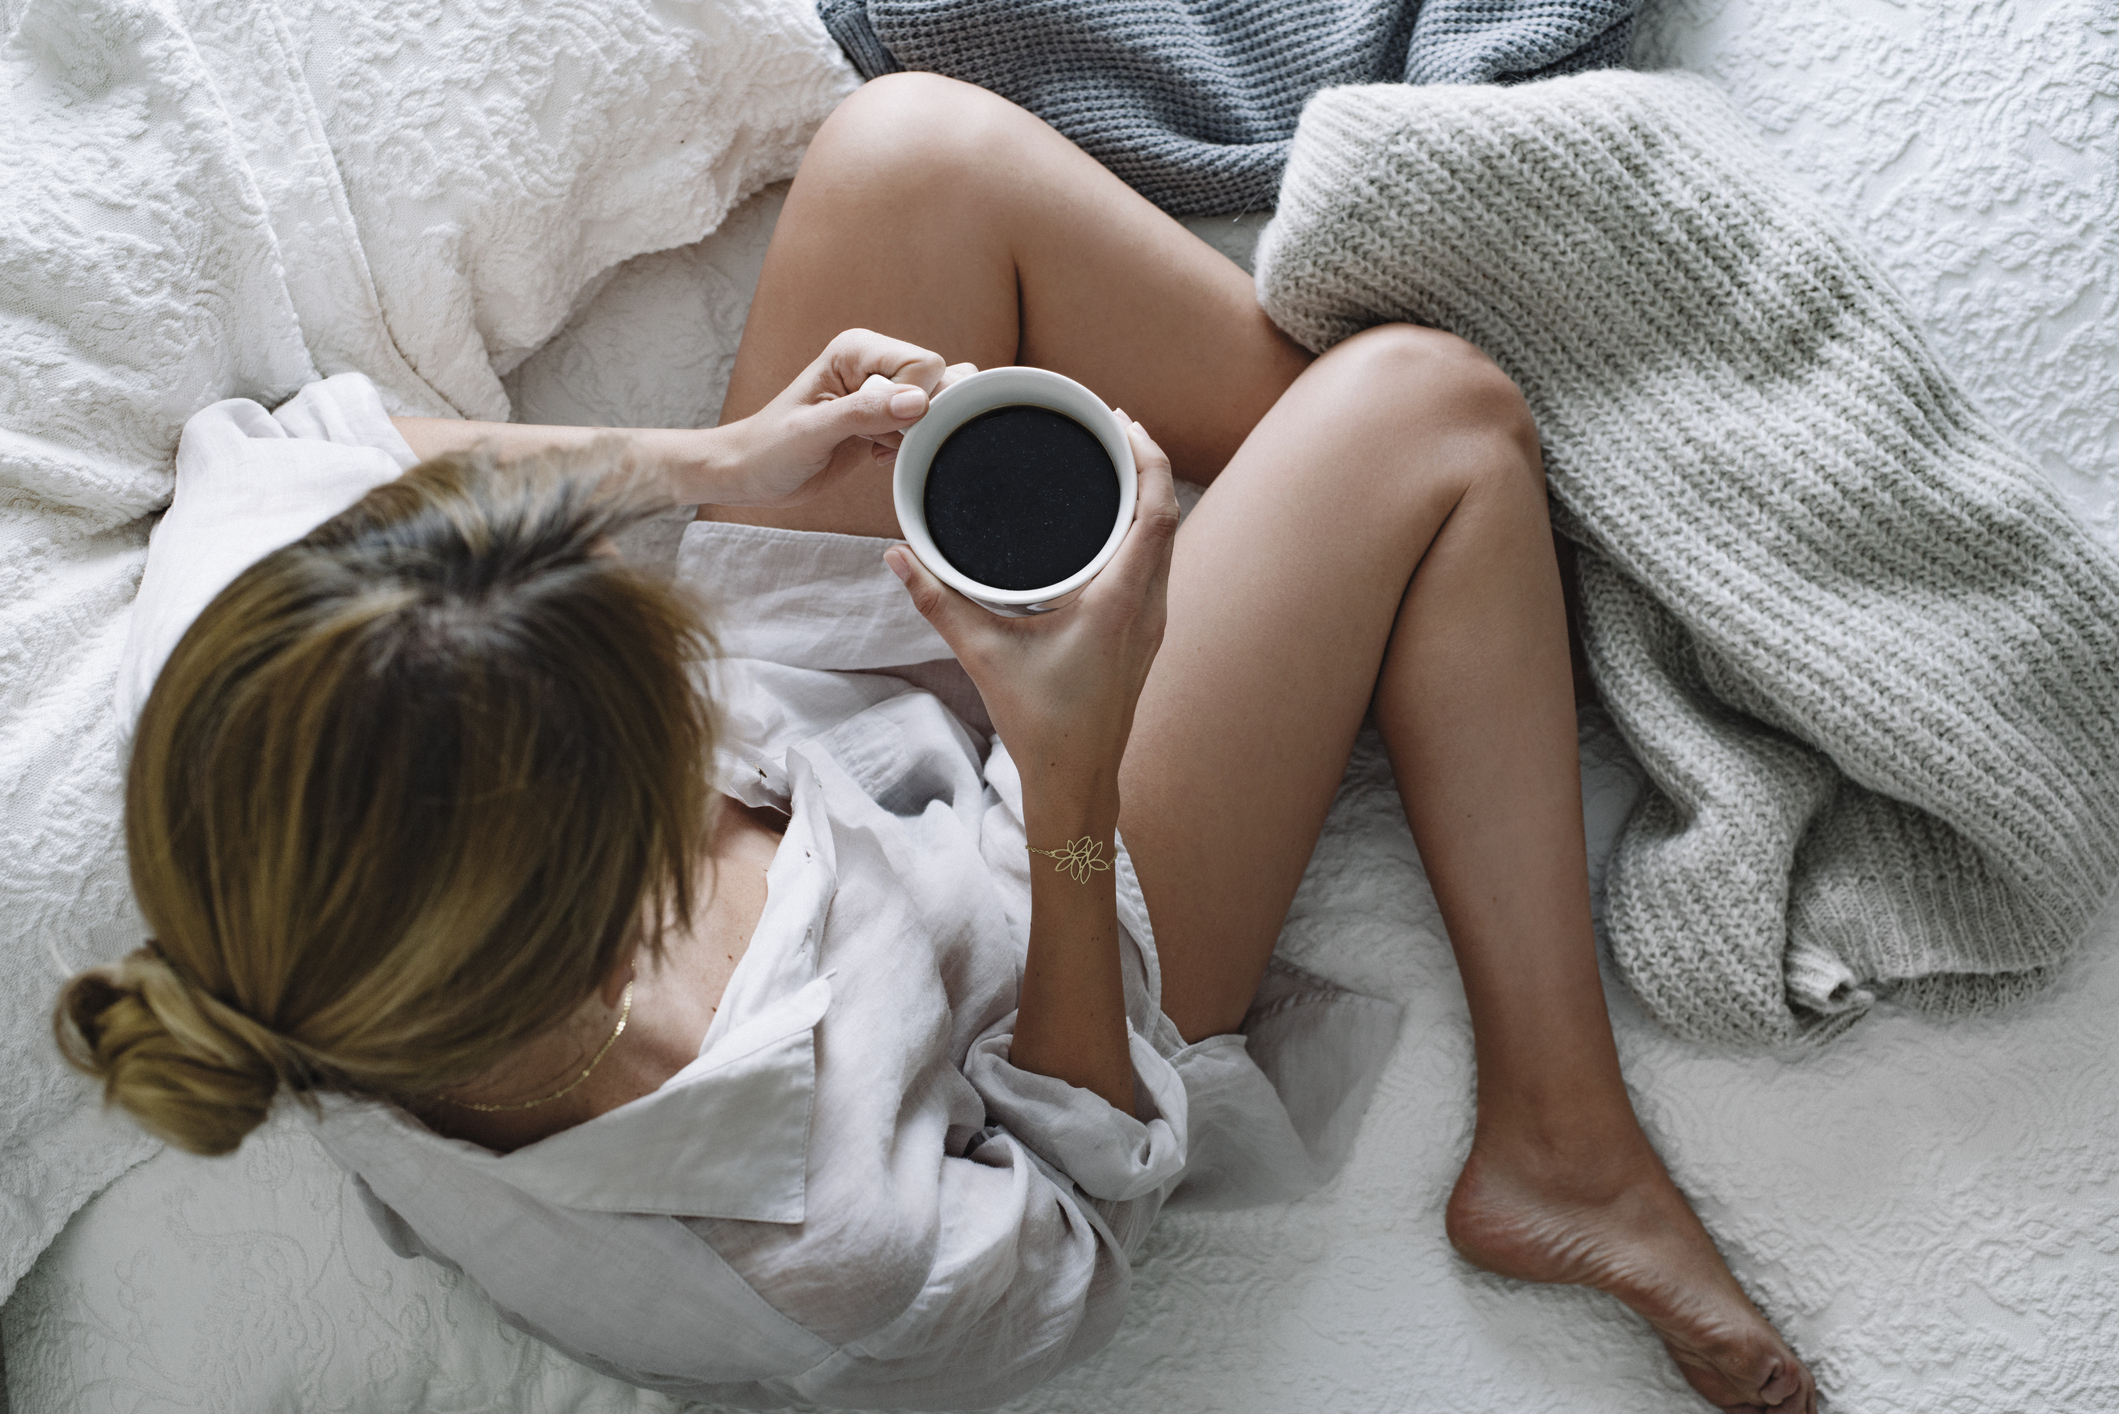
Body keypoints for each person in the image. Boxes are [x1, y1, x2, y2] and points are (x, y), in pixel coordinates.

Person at [56, 74, 1815, 1412]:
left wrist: (714, 468)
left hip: (837, 739)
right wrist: (1069, 776)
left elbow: (302, 456)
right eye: (659, 693)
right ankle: (1559, 1137)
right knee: (1436, 411)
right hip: (1033, 948)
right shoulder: (810, 1244)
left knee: (912, 152)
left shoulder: (239, 742)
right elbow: (1079, 1206)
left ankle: (1418, 564)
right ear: (644, 874)